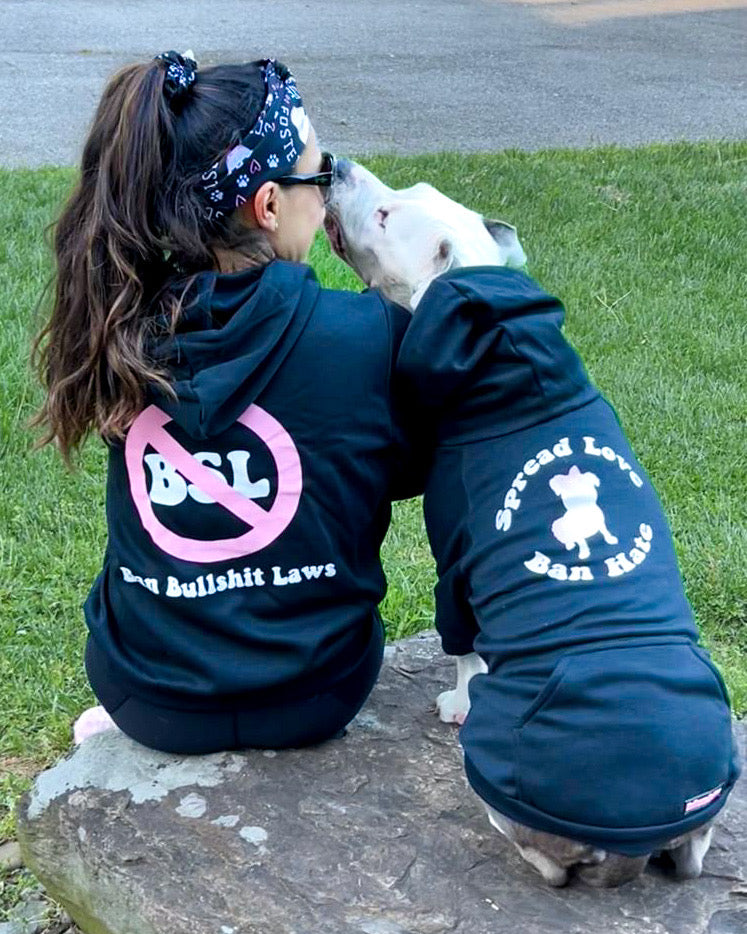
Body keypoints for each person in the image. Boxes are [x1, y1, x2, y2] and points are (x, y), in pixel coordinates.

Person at [31, 51, 422, 755]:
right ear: (269, 205)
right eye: (319, 179)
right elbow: (413, 466)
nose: (326, 200)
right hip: (319, 691)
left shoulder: (117, 327)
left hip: (147, 696)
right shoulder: (369, 334)